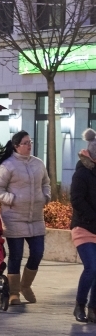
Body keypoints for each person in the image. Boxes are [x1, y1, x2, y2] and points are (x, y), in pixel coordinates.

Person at [0, 130, 51, 305]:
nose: (29, 145)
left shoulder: (38, 164)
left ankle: (26, 285)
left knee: (38, 253)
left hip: (36, 218)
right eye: (25, 143)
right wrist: (12, 199)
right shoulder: (8, 165)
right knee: (16, 255)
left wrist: (45, 196)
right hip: (14, 217)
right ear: (16, 146)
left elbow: (46, 182)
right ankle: (13, 292)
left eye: (30, 142)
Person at [70, 129, 96, 323]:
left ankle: (93, 308)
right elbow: (77, 200)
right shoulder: (82, 173)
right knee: (92, 267)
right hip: (84, 228)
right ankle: (79, 305)